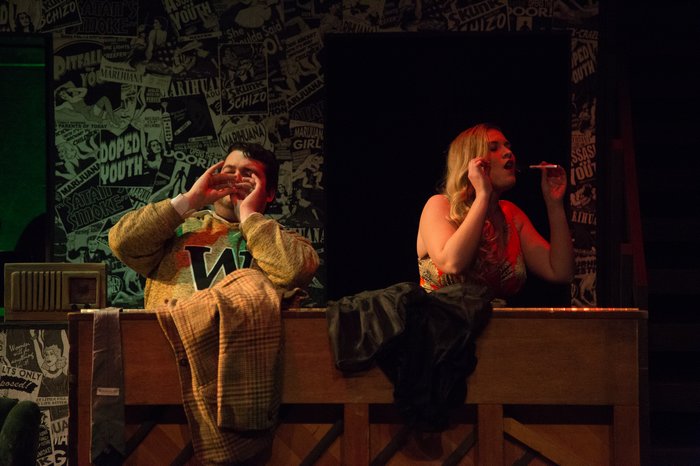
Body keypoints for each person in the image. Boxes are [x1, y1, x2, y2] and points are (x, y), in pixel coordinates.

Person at [108, 141, 319, 308]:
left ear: (270, 193)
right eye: (229, 171)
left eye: (248, 174)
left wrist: (248, 215)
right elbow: (123, 242)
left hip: (249, 346)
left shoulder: (287, 242)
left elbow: (294, 274)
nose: (236, 178)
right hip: (171, 342)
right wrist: (190, 200)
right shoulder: (177, 230)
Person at [416, 123, 574, 304]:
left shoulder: (511, 214)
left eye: (508, 146)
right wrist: (483, 195)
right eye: (493, 148)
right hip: (441, 321)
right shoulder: (439, 205)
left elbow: (561, 272)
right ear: (471, 162)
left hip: (498, 323)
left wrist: (555, 204)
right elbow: (452, 263)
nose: (508, 152)